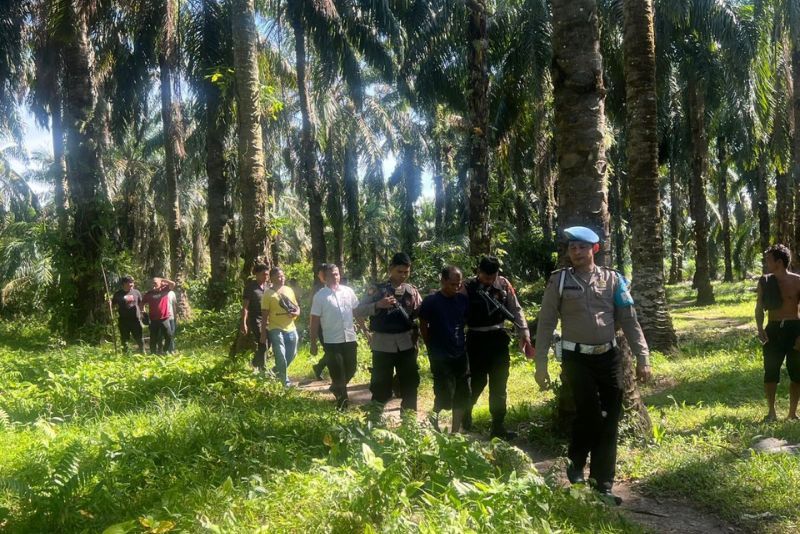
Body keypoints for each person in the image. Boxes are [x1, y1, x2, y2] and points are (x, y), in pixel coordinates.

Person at [534, 226, 651, 505]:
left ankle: (603, 484)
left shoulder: (613, 280)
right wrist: (541, 365)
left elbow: (629, 320)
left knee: (611, 419)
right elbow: (547, 322)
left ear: (594, 249)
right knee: (589, 414)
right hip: (576, 359)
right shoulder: (559, 281)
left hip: (608, 357)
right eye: (572, 247)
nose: (576, 252)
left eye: (582, 247)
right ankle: (575, 462)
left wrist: (643, 358)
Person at [462, 255, 533, 439]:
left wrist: (524, 332)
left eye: (492, 277)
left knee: (499, 383)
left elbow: (516, 309)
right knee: (477, 382)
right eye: (486, 277)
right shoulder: (467, 286)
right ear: (478, 272)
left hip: (498, 338)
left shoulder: (503, 284)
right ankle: (465, 413)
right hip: (475, 339)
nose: (489, 281)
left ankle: (498, 426)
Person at [355, 252, 422, 412]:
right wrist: (378, 305)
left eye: (406, 272)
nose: (403, 275)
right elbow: (357, 311)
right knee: (380, 386)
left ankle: (409, 423)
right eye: (399, 271)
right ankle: (375, 421)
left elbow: (419, 313)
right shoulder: (376, 290)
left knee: (410, 384)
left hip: (406, 344)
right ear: (391, 269)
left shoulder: (411, 291)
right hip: (382, 344)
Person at [419, 266, 471, 432]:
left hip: (459, 352)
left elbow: (464, 322)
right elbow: (423, 323)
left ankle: (455, 431)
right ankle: (434, 418)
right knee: (444, 393)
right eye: (452, 284)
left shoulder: (463, 300)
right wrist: (429, 345)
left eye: (458, 284)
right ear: (442, 281)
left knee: (462, 392)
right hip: (439, 354)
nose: (456, 287)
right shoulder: (431, 301)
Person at [755, 244, 800, 422]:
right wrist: (760, 328)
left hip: (794, 329)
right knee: (770, 371)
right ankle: (771, 412)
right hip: (772, 330)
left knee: (797, 374)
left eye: (768, 260)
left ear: (779, 262)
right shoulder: (765, 281)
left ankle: (792, 413)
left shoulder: (797, 281)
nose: (766, 263)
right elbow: (759, 306)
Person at [310, 264, 360, 408]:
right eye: (331, 275)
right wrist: (313, 342)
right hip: (332, 341)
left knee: (351, 368)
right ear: (325, 278)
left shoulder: (348, 291)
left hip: (350, 337)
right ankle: (343, 403)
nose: (335, 277)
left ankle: (336, 388)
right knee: (338, 372)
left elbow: (356, 312)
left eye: (337, 274)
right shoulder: (320, 296)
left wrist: (366, 331)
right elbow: (314, 321)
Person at [260, 267, 301, 387]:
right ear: (271, 278)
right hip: (275, 328)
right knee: (280, 354)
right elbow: (264, 316)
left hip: (290, 327)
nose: (281, 278)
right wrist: (263, 333)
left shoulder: (289, 290)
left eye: (283, 275)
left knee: (292, 354)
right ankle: (285, 382)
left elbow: (296, 307)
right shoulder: (268, 294)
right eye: (278, 276)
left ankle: (274, 371)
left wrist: (297, 313)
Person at [241, 263, 270, 371]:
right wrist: (243, 323)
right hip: (255, 319)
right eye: (263, 274)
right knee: (263, 342)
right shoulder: (250, 288)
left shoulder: (268, 287)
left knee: (269, 340)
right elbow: (245, 307)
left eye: (267, 275)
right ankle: (263, 368)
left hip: (268, 319)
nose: (266, 277)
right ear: (256, 274)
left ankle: (255, 362)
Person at [143, 277, 176, 355]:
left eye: (155, 283)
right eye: (152, 283)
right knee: (153, 338)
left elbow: (173, 284)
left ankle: (165, 350)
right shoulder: (149, 294)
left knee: (169, 336)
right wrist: (143, 312)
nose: (153, 285)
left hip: (165, 319)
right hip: (153, 320)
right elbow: (142, 303)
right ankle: (153, 353)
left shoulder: (165, 290)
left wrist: (163, 280)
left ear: (160, 284)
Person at [112, 275, 143, 353]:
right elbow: (113, 305)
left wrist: (142, 313)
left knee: (139, 337)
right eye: (130, 282)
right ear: (124, 283)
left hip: (135, 320)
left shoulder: (136, 292)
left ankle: (142, 351)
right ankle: (125, 354)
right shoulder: (118, 294)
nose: (132, 284)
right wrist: (109, 305)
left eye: (133, 282)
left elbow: (141, 304)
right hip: (123, 321)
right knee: (124, 338)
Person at [311, 263, 329, 380]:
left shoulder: (333, 285)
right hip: (322, 326)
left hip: (333, 325)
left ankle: (318, 367)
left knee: (331, 350)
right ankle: (319, 367)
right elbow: (314, 313)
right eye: (320, 273)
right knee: (330, 350)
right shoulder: (318, 289)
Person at [165, 287, 178, 353]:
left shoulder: (172, 293)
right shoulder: (161, 293)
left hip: (171, 317)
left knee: (171, 334)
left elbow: (174, 305)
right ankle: (164, 350)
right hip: (163, 318)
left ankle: (172, 350)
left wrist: (175, 316)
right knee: (164, 334)